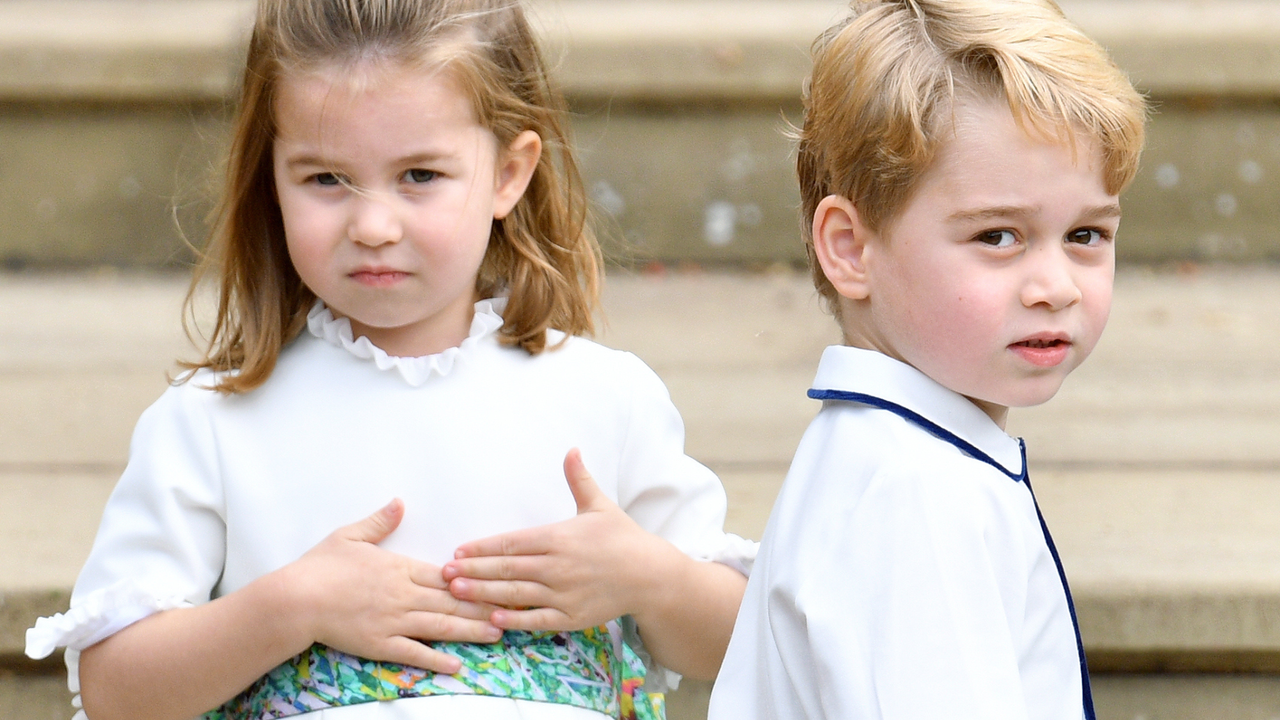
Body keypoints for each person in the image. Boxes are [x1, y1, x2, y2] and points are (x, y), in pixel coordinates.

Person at [24, 1, 752, 719]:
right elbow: (116, 690)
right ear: (269, 178)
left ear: (508, 173)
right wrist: (292, 605)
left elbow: (744, 642)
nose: (372, 225)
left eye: (420, 176)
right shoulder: (213, 421)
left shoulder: (604, 396)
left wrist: (650, 581)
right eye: (325, 180)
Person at [708, 0, 1146, 718]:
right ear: (851, 248)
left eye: (1087, 234)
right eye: (999, 236)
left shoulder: (897, 459)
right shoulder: (915, 494)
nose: (1056, 287)